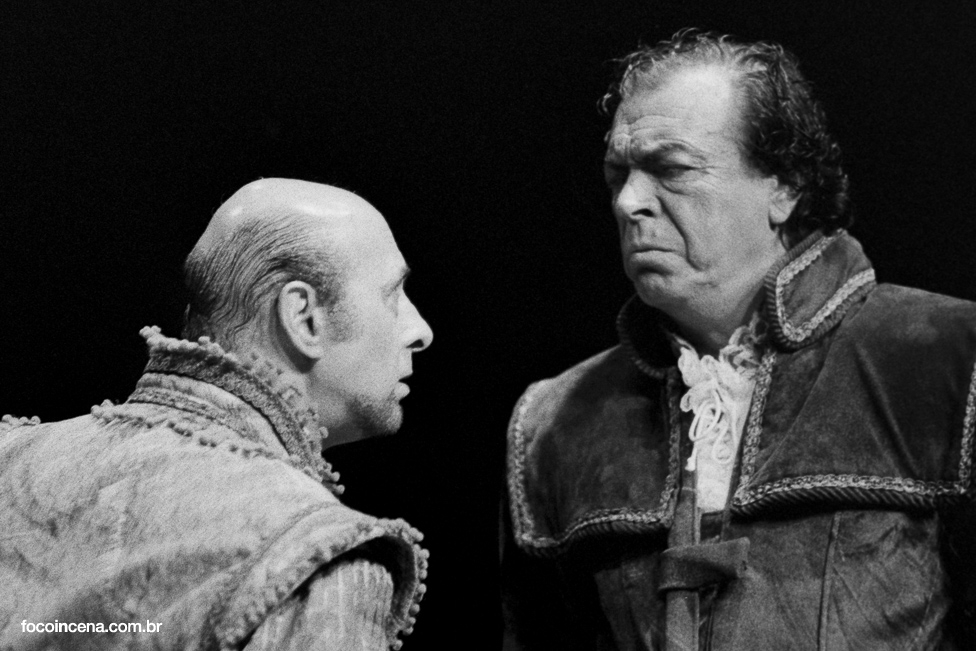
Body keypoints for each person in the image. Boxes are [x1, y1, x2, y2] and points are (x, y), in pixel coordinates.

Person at [501, 30, 976, 650]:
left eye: (671, 169)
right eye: (618, 174)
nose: (628, 202)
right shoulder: (556, 420)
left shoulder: (948, 360)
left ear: (783, 186)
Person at [0, 178, 434, 650]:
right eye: (393, 295)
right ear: (304, 317)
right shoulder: (314, 558)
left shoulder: (10, 454)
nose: (420, 331)